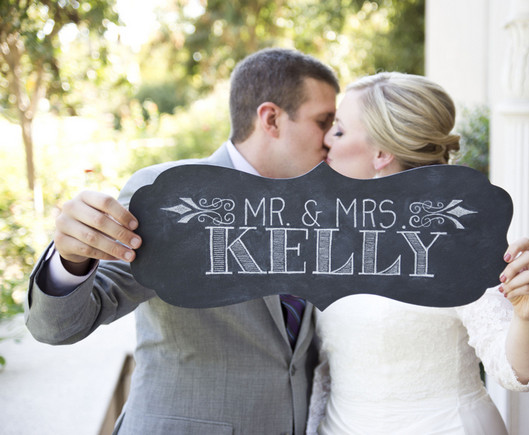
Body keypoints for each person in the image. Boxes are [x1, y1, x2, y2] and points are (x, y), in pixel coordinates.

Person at [25, 48, 339, 435]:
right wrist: (71, 259)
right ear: (271, 118)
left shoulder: (326, 210)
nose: (332, 138)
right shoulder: (169, 195)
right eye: (323, 122)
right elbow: (60, 327)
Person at [306, 72, 529, 434]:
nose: (326, 139)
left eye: (339, 130)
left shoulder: (457, 241)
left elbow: (520, 372)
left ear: (381, 153)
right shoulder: (323, 235)